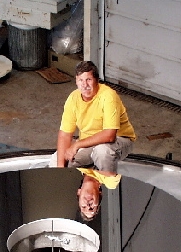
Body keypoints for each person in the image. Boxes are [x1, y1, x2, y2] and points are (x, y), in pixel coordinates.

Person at [54, 61, 136, 221]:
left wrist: (77, 145)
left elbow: (110, 136)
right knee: (60, 159)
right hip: (90, 143)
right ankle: (91, 161)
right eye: (80, 80)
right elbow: (64, 134)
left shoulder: (108, 96)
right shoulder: (110, 183)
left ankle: (96, 159)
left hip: (121, 139)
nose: (84, 85)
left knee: (102, 151)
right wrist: (59, 170)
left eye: (88, 80)